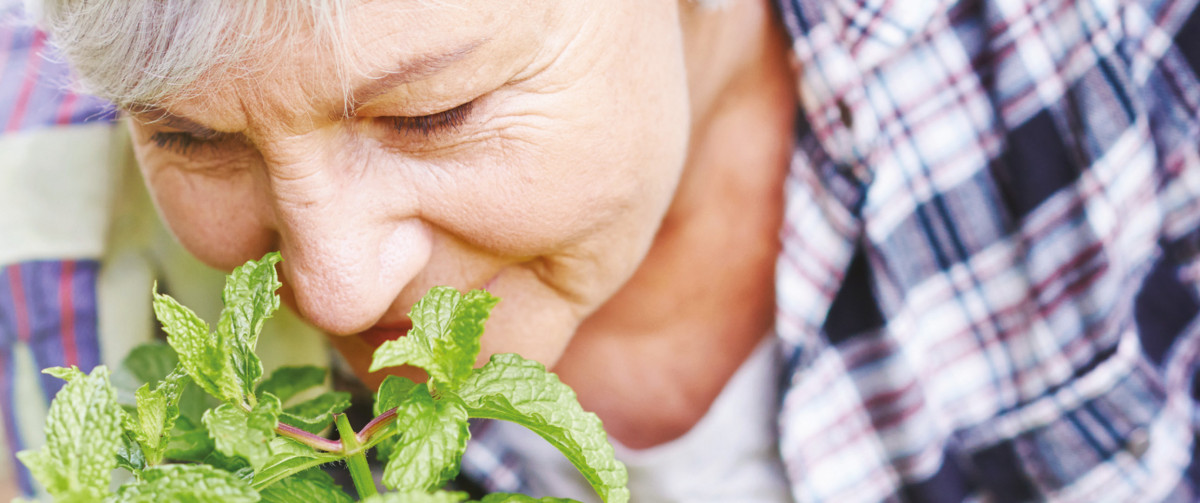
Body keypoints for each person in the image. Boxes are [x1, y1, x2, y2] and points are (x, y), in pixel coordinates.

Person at [7, 0, 1200, 500]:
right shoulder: (37, 263)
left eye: (431, 115)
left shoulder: (1109, 56)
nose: (334, 286)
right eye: (195, 138)